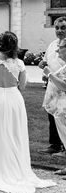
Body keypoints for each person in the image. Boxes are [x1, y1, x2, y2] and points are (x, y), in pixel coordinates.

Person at [0, 31, 56, 193]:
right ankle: (14, 166)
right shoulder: (19, 63)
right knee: (14, 133)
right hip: (13, 97)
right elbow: (22, 86)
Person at [39, 17, 66, 155]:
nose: (59, 30)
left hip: (63, 86)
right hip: (52, 86)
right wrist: (43, 66)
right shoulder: (52, 45)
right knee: (52, 115)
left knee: (63, 118)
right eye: (57, 28)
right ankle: (55, 144)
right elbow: (46, 61)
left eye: (63, 27)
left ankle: (64, 146)